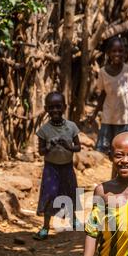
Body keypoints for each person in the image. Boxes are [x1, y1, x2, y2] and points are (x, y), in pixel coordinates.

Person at [34, 92, 81, 240]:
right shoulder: (44, 130)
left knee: (71, 192)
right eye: (51, 107)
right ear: (46, 109)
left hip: (67, 167)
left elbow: (78, 147)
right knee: (49, 195)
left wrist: (68, 146)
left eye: (58, 107)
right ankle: (46, 227)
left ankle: (73, 219)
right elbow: (41, 152)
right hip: (51, 168)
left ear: (64, 107)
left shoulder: (71, 127)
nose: (55, 110)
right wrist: (49, 147)